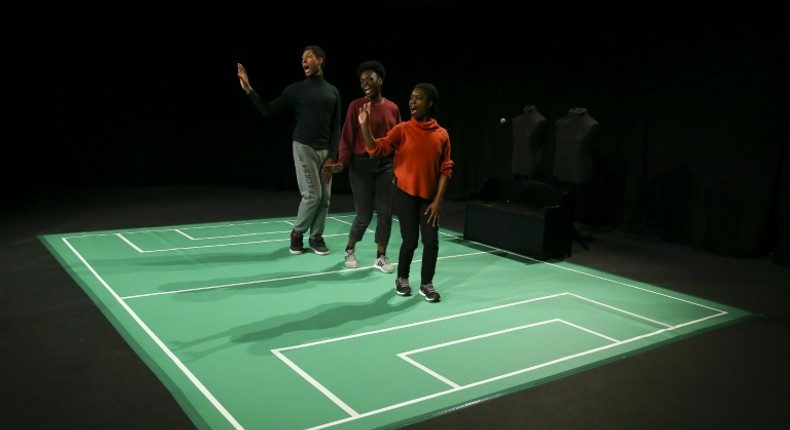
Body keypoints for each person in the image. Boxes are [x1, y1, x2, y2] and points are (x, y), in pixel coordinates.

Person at [237, 45, 342, 256]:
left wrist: (332, 156)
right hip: (303, 146)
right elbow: (269, 110)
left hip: (325, 152)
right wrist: (249, 90)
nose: (303, 61)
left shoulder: (333, 91)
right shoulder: (296, 89)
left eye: (308, 57)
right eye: (302, 58)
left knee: (326, 198)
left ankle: (316, 237)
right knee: (313, 195)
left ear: (320, 60)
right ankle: (297, 233)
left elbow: (336, 126)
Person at [357, 83, 453, 302]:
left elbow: (445, 170)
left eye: (418, 98)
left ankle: (426, 284)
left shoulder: (441, 135)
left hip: (429, 199)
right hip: (405, 194)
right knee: (410, 241)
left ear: (430, 103)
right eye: (411, 97)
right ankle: (402, 279)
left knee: (431, 242)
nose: (412, 102)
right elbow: (377, 149)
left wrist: (438, 202)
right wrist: (365, 127)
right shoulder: (402, 130)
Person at [323, 60, 402, 273]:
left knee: (385, 214)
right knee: (364, 215)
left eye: (370, 78)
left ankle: (380, 256)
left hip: (385, 166)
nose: (365, 83)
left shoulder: (392, 108)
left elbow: (399, 141)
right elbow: (347, 137)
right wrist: (341, 162)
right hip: (361, 167)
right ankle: (350, 249)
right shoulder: (355, 106)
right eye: (362, 80)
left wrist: (400, 167)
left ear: (381, 80)